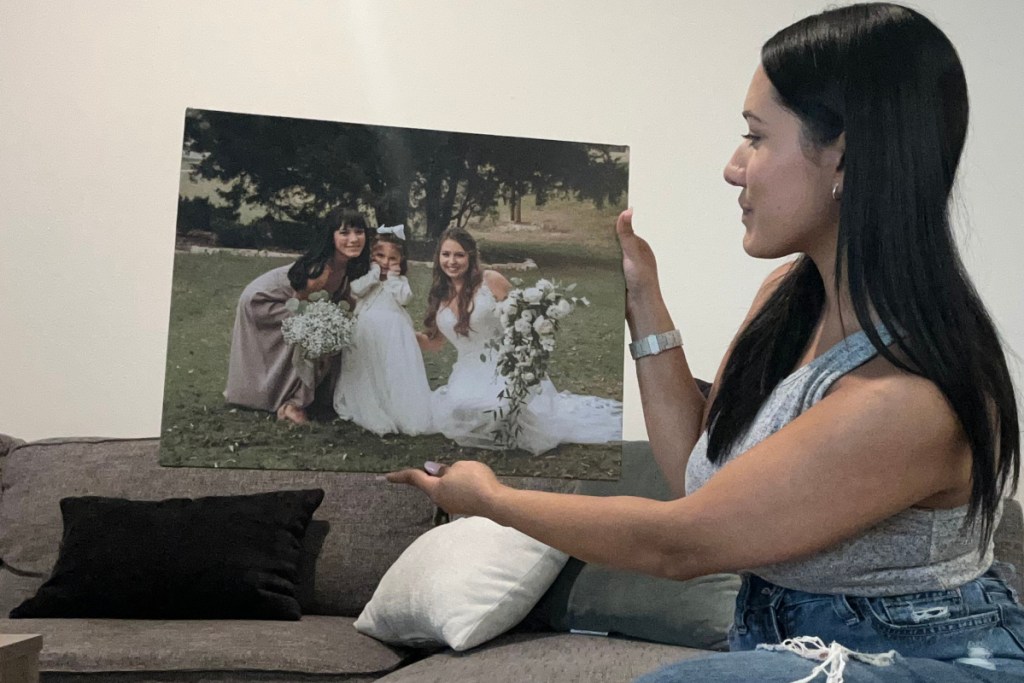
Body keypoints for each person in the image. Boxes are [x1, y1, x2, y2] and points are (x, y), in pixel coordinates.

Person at [390, 4, 1023, 681]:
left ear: (845, 154)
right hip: (791, 644)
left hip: (924, 657)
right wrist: (642, 296)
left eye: (755, 138)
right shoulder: (789, 295)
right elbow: (698, 467)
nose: (733, 167)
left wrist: (489, 498)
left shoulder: (907, 396)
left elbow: (682, 543)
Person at [416, 227, 623, 455]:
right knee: (459, 410)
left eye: (459, 255)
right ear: (439, 258)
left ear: (471, 256)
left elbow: (525, 318)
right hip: (467, 371)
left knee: (499, 408)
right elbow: (434, 343)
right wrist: (399, 332)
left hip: (505, 365)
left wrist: (527, 359)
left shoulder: (490, 281)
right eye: (446, 255)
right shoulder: (439, 293)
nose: (452, 261)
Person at [224, 208, 371, 425]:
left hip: (296, 304)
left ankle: (318, 397)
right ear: (331, 237)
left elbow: (347, 301)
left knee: (329, 331)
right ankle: (292, 404)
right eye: (344, 233)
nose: (353, 239)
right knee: (314, 339)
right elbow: (303, 311)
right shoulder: (321, 271)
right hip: (264, 301)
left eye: (359, 232)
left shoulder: (346, 267)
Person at [333, 227, 434, 436]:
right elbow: (356, 290)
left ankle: (395, 406)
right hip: (367, 328)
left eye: (392, 258)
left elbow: (405, 298)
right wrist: (373, 275)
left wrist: (394, 279)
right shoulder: (365, 277)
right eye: (380, 256)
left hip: (393, 331)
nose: (385, 262)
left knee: (392, 368)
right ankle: (369, 402)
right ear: (371, 256)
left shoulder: (399, 281)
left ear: (400, 260)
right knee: (367, 366)